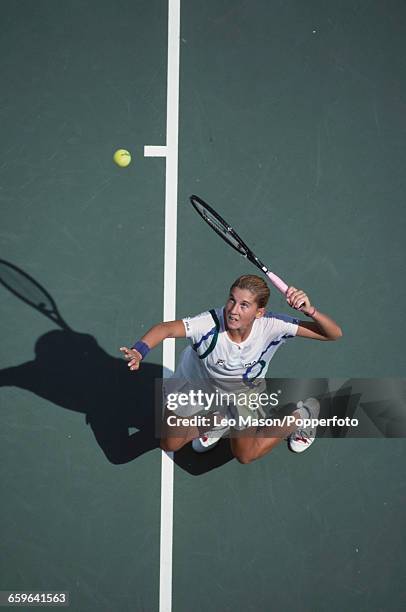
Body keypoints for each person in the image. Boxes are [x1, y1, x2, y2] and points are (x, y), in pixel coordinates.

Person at [120, 275, 342, 463]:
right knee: (170, 443)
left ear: (259, 312)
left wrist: (310, 310)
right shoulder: (208, 325)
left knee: (245, 455)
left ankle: (302, 415)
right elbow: (166, 329)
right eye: (231, 301)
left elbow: (332, 334)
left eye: (244, 305)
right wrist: (140, 351)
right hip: (193, 388)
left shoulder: (274, 326)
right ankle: (220, 418)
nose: (233, 311)